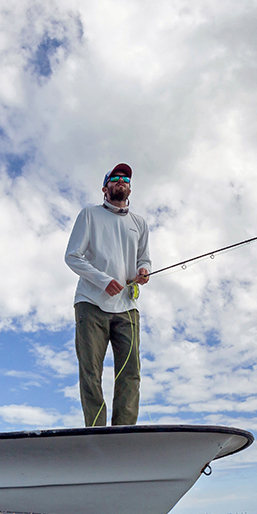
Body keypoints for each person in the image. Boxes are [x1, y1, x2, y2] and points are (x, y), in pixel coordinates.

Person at [64, 163, 151, 426]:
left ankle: (123, 431)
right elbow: (72, 256)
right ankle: (96, 429)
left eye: (125, 179)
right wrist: (103, 281)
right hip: (91, 304)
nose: (121, 181)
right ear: (105, 188)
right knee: (91, 371)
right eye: (115, 178)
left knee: (131, 372)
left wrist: (144, 271)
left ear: (130, 188)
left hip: (127, 306)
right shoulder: (89, 214)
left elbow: (144, 258)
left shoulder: (140, 223)